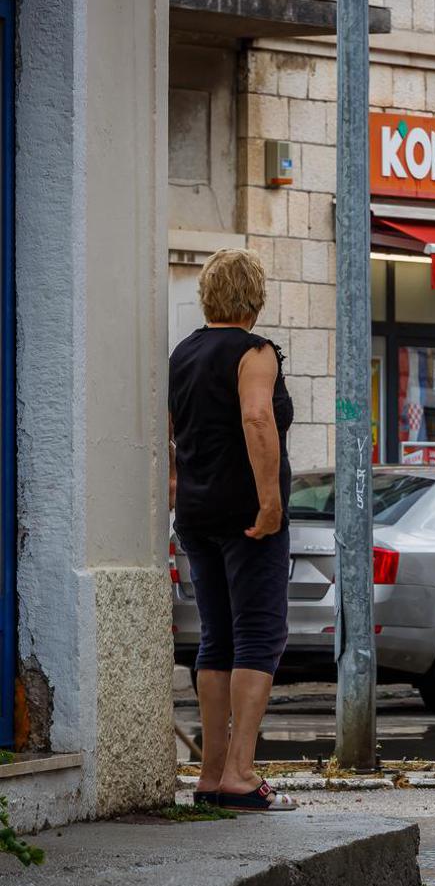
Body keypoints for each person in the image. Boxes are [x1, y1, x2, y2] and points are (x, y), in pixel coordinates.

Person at [169, 248, 298, 812]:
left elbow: (173, 430)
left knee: (217, 637)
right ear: (255, 296)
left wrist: (182, 484)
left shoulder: (184, 352)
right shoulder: (255, 351)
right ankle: (242, 775)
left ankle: (211, 776)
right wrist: (269, 502)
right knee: (260, 634)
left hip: (197, 514)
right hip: (247, 517)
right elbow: (256, 417)